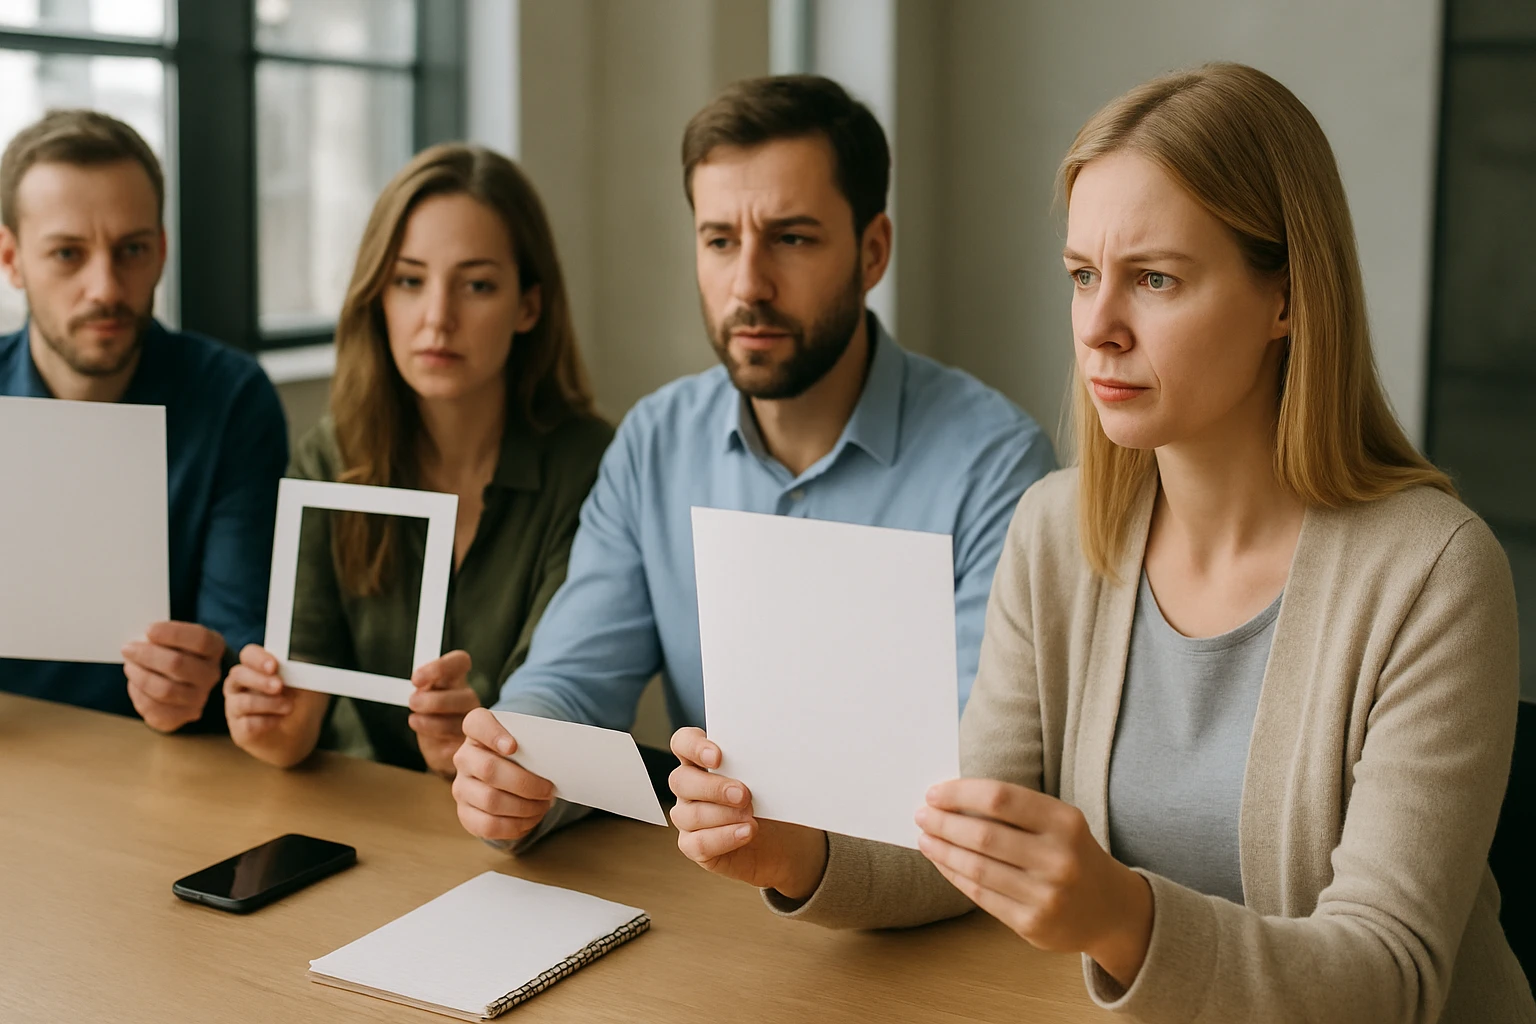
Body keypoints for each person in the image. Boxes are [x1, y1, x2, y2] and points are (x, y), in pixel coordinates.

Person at [667, 63, 1535, 1022]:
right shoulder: (1056, 530)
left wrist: (1121, 916)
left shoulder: (1434, 573)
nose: (1099, 331)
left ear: (1286, 299)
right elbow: (963, 838)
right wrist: (796, 851)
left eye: (1155, 279)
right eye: (1084, 277)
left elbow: (1391, 977)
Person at [449, 75, 1056, 847]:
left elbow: (979, 782)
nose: (748, 285)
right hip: (717, 893)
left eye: (792, 238)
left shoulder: (996, 467)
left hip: (921, 916)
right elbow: (572, 680)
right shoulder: (655, 442)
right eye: (720, 240)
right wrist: (514, 761)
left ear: (873, 252)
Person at [223, 144, 612, 778]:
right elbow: (295, 725)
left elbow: (570, 707)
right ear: (378, 296)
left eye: (477, 285)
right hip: (362, 814)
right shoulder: (329, 456)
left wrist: (480, 747)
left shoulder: (591, 464)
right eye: (409, 281)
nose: (437, 318)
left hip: (521, 823)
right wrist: (268, 720)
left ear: (528, 306)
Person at [0, 109, 287, 732]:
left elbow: (245, 648)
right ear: (12, 259)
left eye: (130, 250)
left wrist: (208, 681)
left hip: (170, 759)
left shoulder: (232, 400)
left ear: (161, 250)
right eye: (67, 254)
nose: (104, 287)